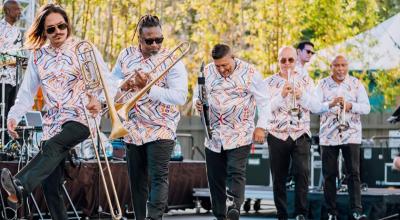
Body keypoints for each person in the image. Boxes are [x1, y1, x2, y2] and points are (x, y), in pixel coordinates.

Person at [0, 4, 115, 220]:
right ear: (44, 32)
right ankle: (18, 195)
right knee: (51, 186)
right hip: (53, 122)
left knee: (53, 145)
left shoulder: (83, 49)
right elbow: (27, 93)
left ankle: (19, 186)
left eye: (61, 26)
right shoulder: (38, 56)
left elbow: (108, 82)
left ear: (67, 25)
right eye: (51, 29)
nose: (57, 31)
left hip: (82, 116)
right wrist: (13, 116)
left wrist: (99, 102)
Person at [111, 15, 188, 220]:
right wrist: (125, 84)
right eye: (149, 41)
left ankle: (154, 218)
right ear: (139, 38)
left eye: (159, 40)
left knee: (158, 177)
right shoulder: (125, 55)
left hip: (161, 126)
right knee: (137, 181)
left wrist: (148, 89)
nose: (155, 45)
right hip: (133, 126)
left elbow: (180, 96)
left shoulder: (172, 59)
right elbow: (111, 85)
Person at [194, 44, 268, 220]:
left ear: (233, 57)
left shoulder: (250, 73)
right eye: (218, 65)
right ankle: (220, 214)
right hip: (214, 136)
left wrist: (261, 126)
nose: (221, 69)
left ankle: (234, 207)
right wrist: (196, 103)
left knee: (236, 170)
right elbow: (198, 95)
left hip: (240, 133)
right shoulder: (207, 71)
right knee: (215, 177)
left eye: (225, 65)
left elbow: (265, 101)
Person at [265, 46, 320, 220]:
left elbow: (316, 107)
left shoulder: (306, 80)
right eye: (283, 60)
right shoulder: (269, 82)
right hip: (277, 134)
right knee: (279, 178)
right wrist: (281, 95)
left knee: (302, 174)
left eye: (290, 60)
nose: (287, 64)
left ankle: (300, 214)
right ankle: (282, 214)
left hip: (300, 133)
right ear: (278, 61)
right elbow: (264, 110)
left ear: (296, 60)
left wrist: (302, 95)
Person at [315, 55, 370, 220]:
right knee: (329, 175)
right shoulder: (322, 84)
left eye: (343, 65)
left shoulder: (356, 83)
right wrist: (330, 104)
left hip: (351, 134)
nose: (340, 69)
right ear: (331, 67)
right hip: (328, 134)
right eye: (337, 65)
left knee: (354, 173)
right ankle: (331, 212)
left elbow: (367, 107)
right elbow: (315, 107)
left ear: (348, 66)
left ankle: (356, 211)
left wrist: (350, 105)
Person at [0, 0, 22, 145]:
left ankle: (8, 144)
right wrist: (13, 60)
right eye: (16, 10)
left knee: (10, 112)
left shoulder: (18, 31)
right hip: (2, 79)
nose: (20, 12)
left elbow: (19, 53)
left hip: (14, 79)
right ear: (8, 11)